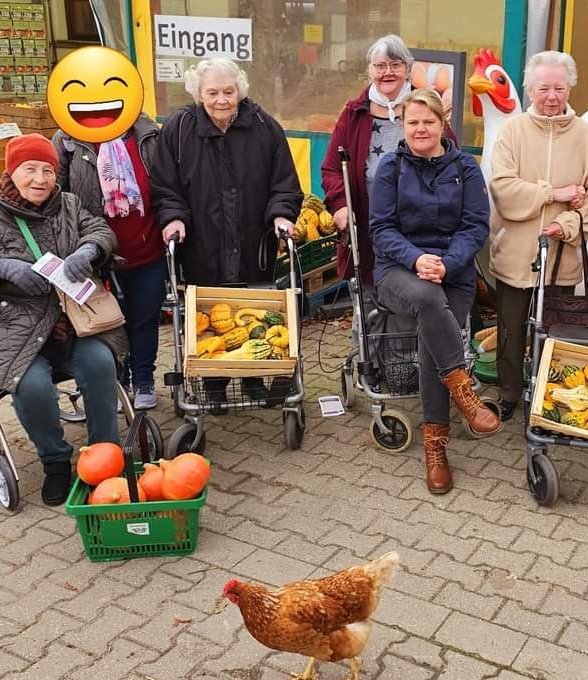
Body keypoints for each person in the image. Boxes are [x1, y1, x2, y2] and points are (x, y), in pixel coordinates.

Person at [0, 134, 125, 505]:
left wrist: (90, 248)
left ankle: (105, 456)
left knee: (101, 362)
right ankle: (55, 461)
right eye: (29, 169)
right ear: (11, 171)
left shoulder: (68, 204)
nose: (40, 179)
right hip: (11, 328)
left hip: (71, 320)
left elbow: (100, 230)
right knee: (32, 386)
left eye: (48, 170)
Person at [150, 57, 303, 406]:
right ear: (198, 93)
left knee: (247, 310)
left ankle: (251, 380)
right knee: (207, 316)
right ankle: (212, 384)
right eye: (213, 92)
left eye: (228, 91)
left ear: (240, 90)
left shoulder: (265, 127)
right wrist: (172, 217)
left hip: (254, 242)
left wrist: (281, 215)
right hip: (202, 243)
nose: (221, 99)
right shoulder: (178, 129)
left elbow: (285, 184)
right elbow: (164, 185)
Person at [369, 89, 498, 495]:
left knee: (432, 335)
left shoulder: (466, 168)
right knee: (427, 300)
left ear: (444, 123)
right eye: (412, 122)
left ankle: (436, 449)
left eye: (428, 121)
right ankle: (463, 391)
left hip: (453, 272)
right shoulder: (390, 167)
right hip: (398, 272)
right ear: (402, 126)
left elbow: (476, 226)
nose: (421, 129)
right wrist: (416, 260)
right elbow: (381, 230)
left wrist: (447, 261)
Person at [489, 50, 588, 421]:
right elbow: (503, 188)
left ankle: (549, 392)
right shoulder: (513, 131)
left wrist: (568, 226)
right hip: (515, 253)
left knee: (555, 327)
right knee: (510, 329)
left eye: (559, 87)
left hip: (561, 256)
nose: (552, 96)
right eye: (544, 88)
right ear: (529, 90)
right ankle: (509, 390)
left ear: (570, 87)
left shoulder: (586, 137)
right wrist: (552, 194)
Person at [322, 35, 456, 288]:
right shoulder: (353, 114)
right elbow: (331, 168)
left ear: (407, 69)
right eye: (380, 66)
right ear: (370, 70)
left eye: (395, 65)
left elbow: (452, 160)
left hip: (422, 231)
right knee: (370, 302)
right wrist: (340, 204)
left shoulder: (426, 109)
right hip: (367, 224)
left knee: (417, 297)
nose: (388, 72)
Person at [53, 112, 163, 410]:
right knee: (108, 323)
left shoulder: (148, 134)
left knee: (144, 318)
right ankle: (117, 381)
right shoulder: (67, 140)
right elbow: (57, 198)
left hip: (147, 246)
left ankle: (143, 380)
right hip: (95, 255)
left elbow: (167, 186)